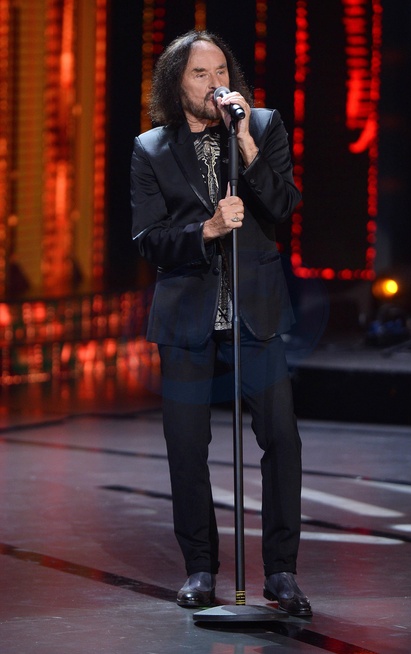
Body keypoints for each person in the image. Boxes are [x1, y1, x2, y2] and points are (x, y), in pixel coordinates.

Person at [130, 30, 312, 617]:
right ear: (175, 84)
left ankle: (281, 572)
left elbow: (283, 205)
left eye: (222, 73)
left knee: (281, 437)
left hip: (254, 312)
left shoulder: (263, 126)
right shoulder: (151, 148)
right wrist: (206, 231)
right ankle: (201, 567)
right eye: (200, 75)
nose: (216, 85)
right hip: (187, 315)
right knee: (188, 446)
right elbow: (149, 239)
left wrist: (247, 145)